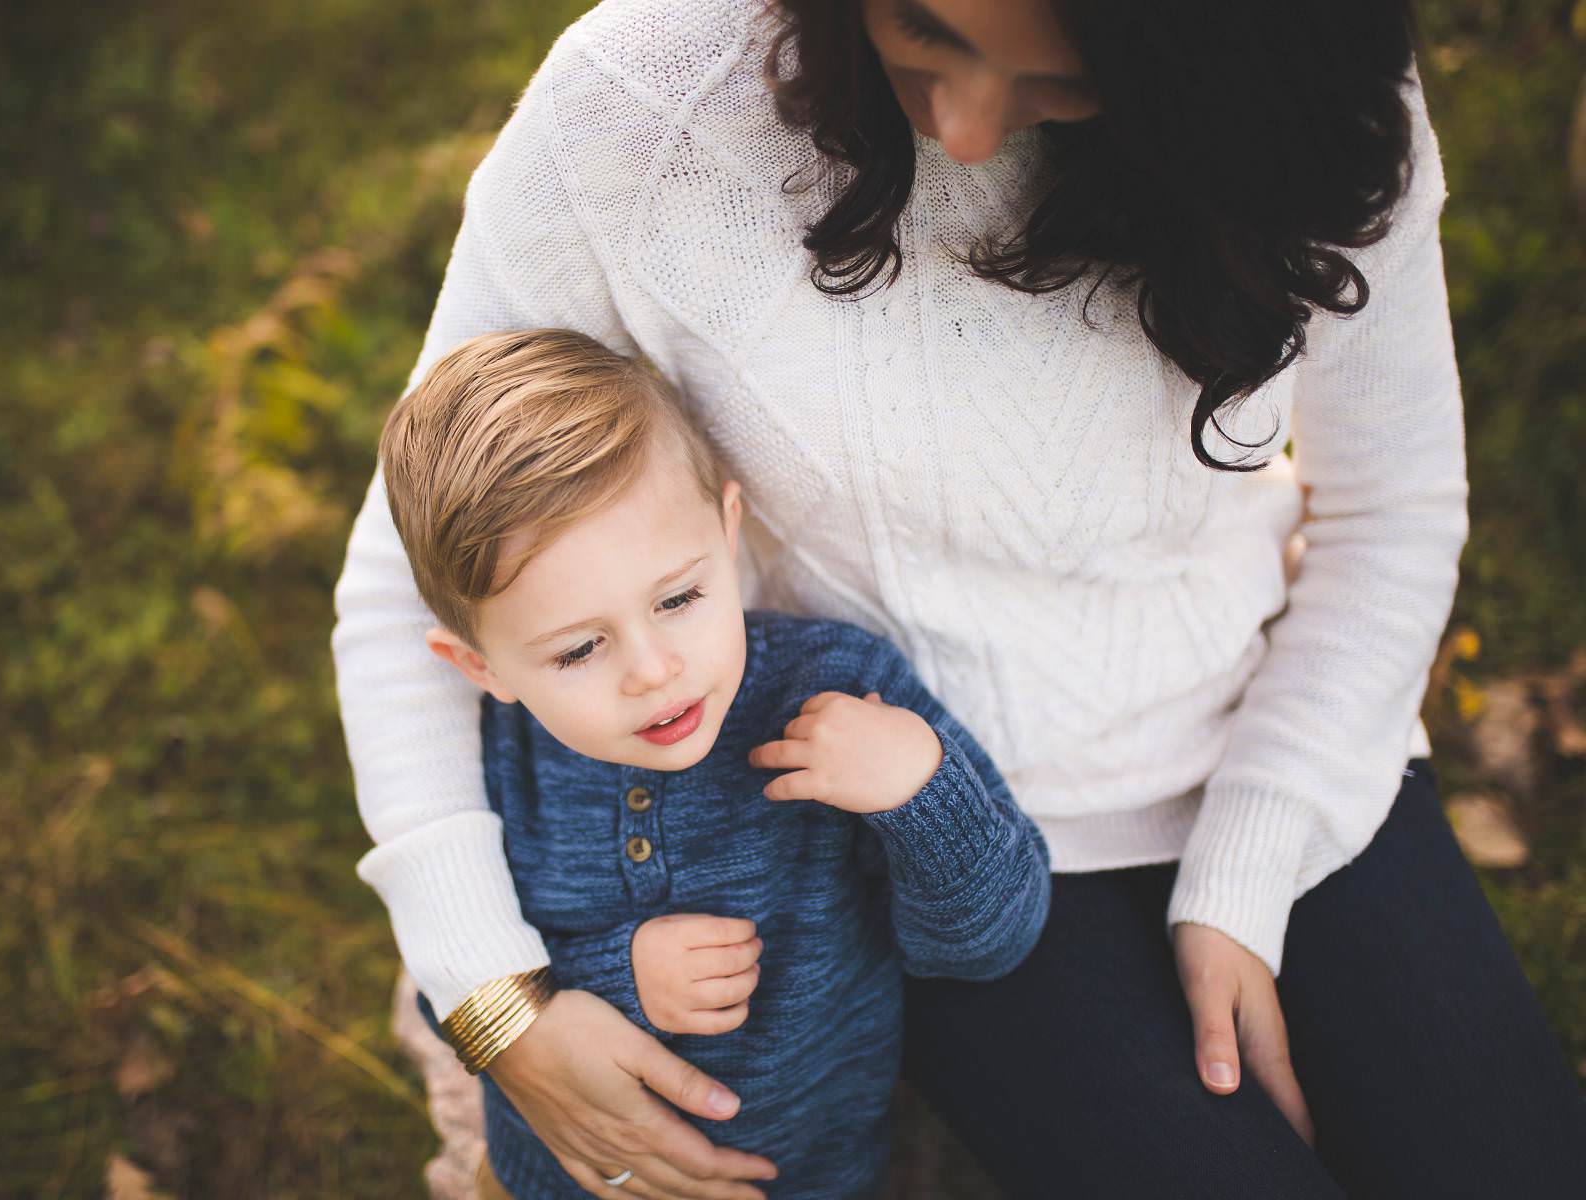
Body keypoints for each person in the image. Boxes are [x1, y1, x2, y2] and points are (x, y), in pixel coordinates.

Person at [334, 0, 1586, 1195]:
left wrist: (1251, 868)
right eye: (925, 33)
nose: (972, 130)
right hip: (925, 833)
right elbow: (414, 577)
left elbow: (1391, 511)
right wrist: (493, 994)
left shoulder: (1311, 113)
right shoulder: (640, 106)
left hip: (1285, 738)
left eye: (1059, 78)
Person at [376, 327, 1050, 1198]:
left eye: (680, 598)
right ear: (482, 669)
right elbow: (448, 973)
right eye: (579, 650)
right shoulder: (488, 765)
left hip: (807, 1178)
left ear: (728, 534)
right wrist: (618, 977)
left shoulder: (836, 693)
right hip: (560, 1177)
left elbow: (992, 942)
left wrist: (922, 789)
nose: (653, 670)